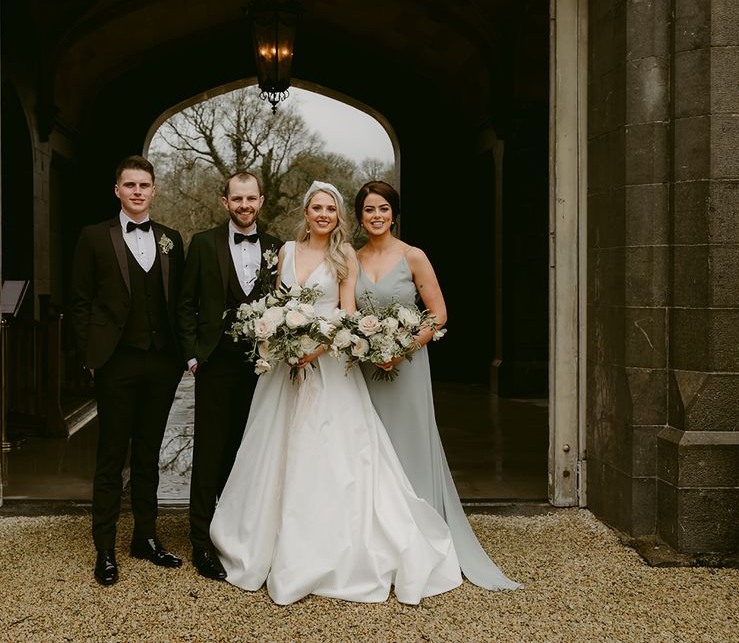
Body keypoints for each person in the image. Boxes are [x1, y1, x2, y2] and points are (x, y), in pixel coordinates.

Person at [209, 181, 462, 605]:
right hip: (285, 370)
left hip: (327, 367)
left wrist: (316, 348)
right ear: (306, 213)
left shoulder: (344, 255)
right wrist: (280, 339)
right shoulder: (287, 251)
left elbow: (347, 312)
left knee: (330, 453)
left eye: (331, 209)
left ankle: (324, 549)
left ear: (339, 217)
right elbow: (277, 302)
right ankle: (262, 542)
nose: (323, 214)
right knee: (273, 449)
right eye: (316, 208)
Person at [354, 180, 521, 591]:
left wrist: (401, 345)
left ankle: (421, 544)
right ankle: (376, 544)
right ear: (359, 216)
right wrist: (365, 344)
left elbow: (438, 314)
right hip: (366, 369)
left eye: (383, 209)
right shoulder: (351, 259)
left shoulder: (413, 256)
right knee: (369, 449)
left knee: (408, 444)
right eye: (369, 209)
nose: (377, 216)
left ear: (394, 214)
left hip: (407, 366)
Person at [70, 155, 185, 586]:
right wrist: (91, 356)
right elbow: (79, 301)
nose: (138, 192)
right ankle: (104, 548)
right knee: (111, 455)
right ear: (117, 190)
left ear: (154, 191)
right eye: (129, 185)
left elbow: (179, 303)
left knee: (149, 453)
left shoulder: (172, 238)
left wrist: (181, 357)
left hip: (160, 362)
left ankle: (145, 538)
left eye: (144, 185)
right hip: (115, 360)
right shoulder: (94, 236)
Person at [177, 170, 283, 580]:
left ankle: (240, 535)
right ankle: (201, 542)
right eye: (236, 199)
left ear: (261, 200)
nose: (244, 205)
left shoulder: (277, 248)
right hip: (215, 363)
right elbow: (184, 305)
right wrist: (191, 357)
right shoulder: (203, 244)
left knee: (250, 451)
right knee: (209, 450)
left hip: (262, 367)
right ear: (225, 202)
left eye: (250, 198)